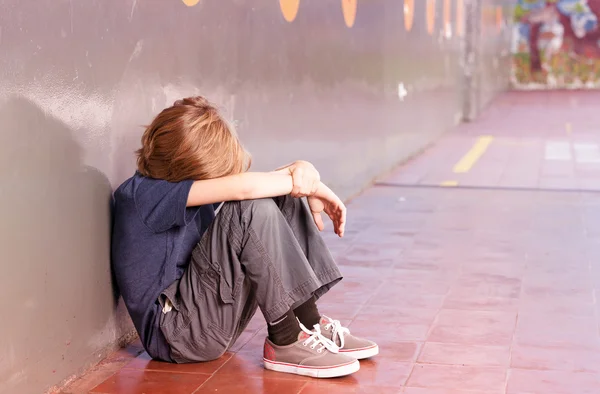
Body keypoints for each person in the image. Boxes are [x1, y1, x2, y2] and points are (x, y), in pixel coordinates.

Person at [111, 96, 378, 378]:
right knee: (249, 207)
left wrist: (303, 171)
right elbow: (244, 191)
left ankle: (309, 323)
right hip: (177, 336)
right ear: (184, 168)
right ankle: (284, 340)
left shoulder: (170, 185)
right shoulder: (142, 196)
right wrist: (313, 185)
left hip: (204, 318)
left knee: (279, 197)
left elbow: (253, 187)